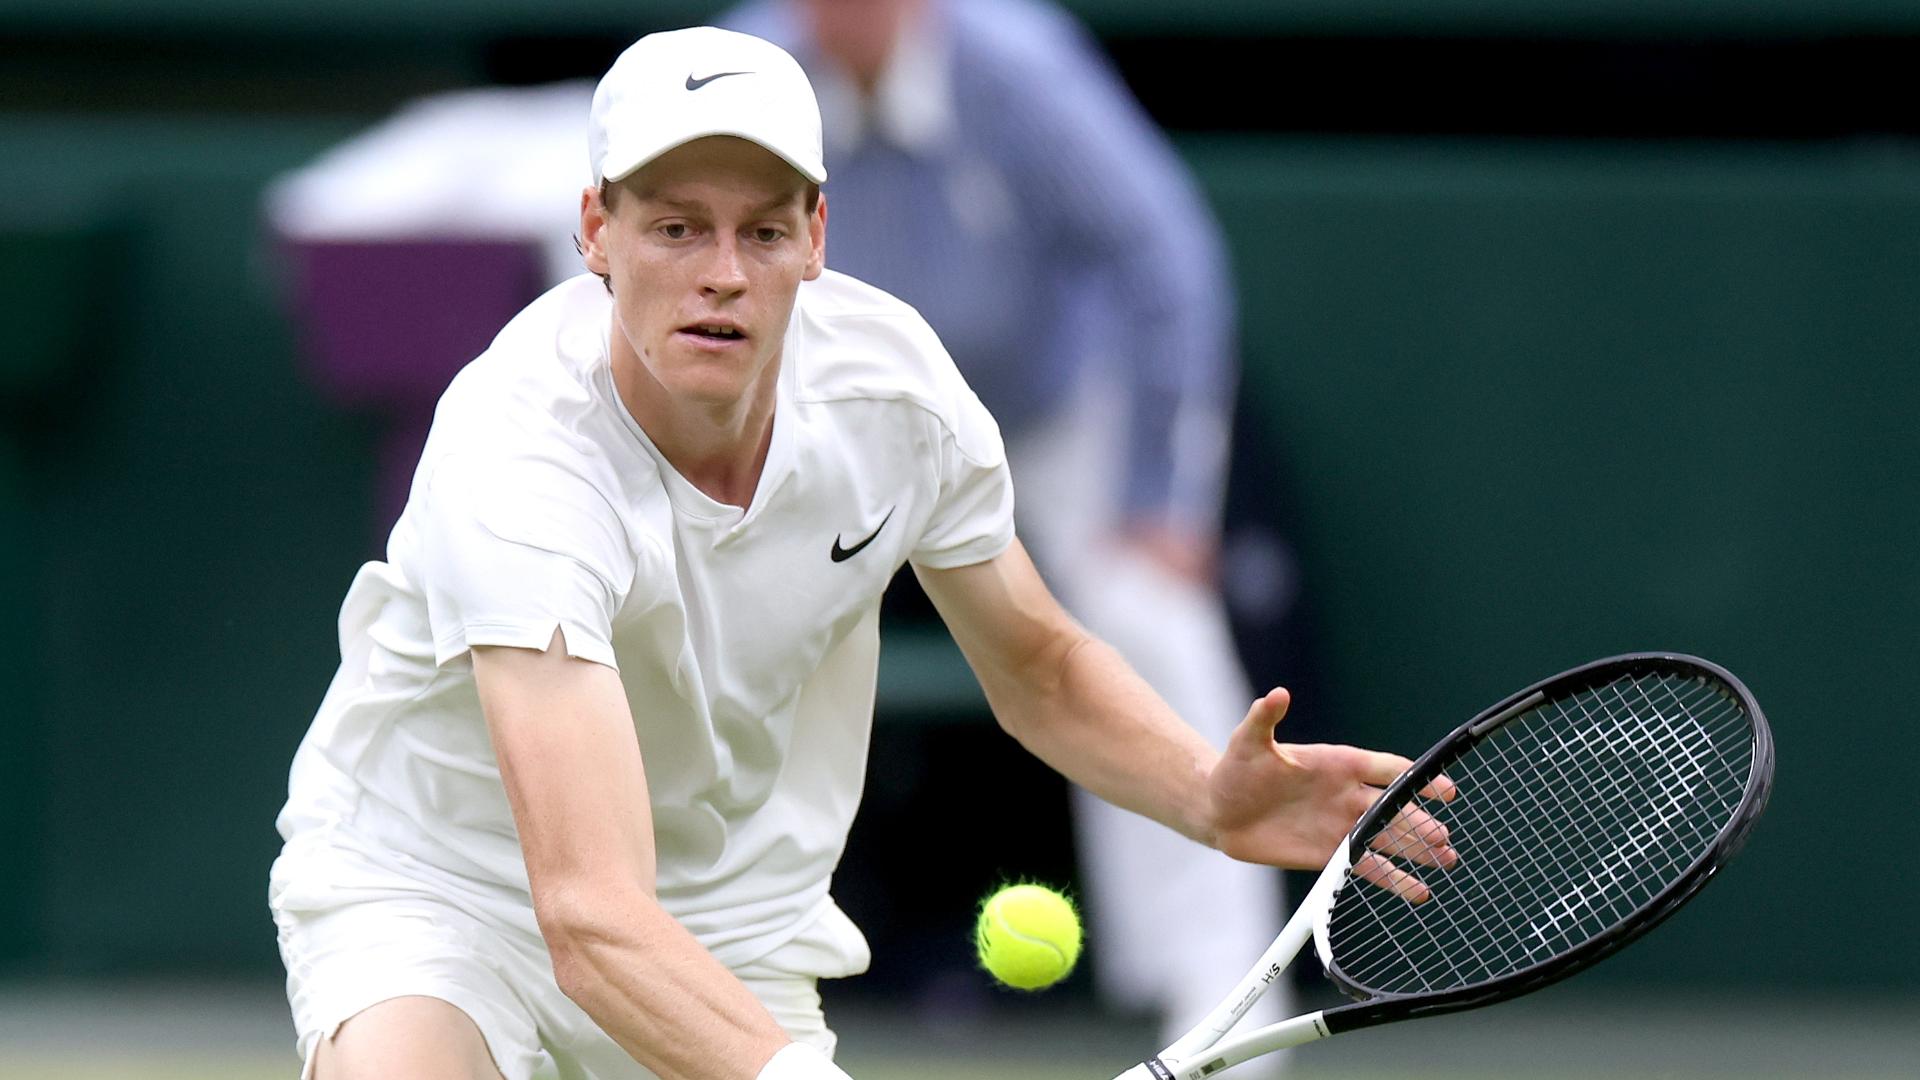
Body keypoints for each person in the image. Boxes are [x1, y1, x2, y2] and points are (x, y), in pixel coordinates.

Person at [268, 26, 1455, 1080]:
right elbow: (586, 914)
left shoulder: (897, 396)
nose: (722, 273)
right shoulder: (518, 462)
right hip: (441, 891)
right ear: (596, 232)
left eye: (762, 229)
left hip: (734, 916)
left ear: (817, 239)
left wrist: (1201, 791)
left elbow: (1036, 666)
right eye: (676, 228)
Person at [715, 0, 1283, 1046]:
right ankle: (714, 987)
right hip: (840, 415)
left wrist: (1162, 498)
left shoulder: (1018, 68)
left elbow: (1165, 258)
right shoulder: (744, 72)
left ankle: (1218, 1010)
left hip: (1050, 419)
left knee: (1147, 618)